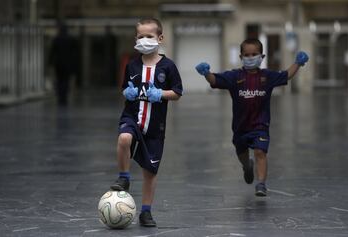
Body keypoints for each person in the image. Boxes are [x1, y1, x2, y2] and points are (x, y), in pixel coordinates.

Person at [195, 38, 308, 196]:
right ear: (241, 57)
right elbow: (215, 80)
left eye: (254, 54)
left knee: (260, 152)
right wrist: (206, 73)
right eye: (247, 55)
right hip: (240, 127)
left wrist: (298, 63)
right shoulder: (234, 77)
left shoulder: (267, 76)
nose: (250, 57)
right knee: (242, 153)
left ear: (262, 56)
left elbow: (286, 75)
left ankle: (261, 183)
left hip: (260, 125)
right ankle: (247, 166)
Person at [110, 18, 183, 227]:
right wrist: (128, 91)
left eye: (149, 36)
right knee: (124, 138)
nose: (144, 40)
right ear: (135, 39)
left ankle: (146, 211)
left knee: (150, 172)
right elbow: (125, 87)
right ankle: (123, 176)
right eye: (140, 36)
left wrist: (160, 93)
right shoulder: (132, 65)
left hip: (155, 126)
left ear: (159, 38)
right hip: (132, 116)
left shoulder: (168, 66)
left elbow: (177, 92)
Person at [49, 23, 78, 105]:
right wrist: (74, 65)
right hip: (68, 64)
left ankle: (60, 96)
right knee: (65, 80)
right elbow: (74, 53)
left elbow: (52, 52)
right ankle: (64, 96)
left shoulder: (56, 39)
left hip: (58, 64)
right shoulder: (71, 39)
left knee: (59, 80)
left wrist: (50, 63)